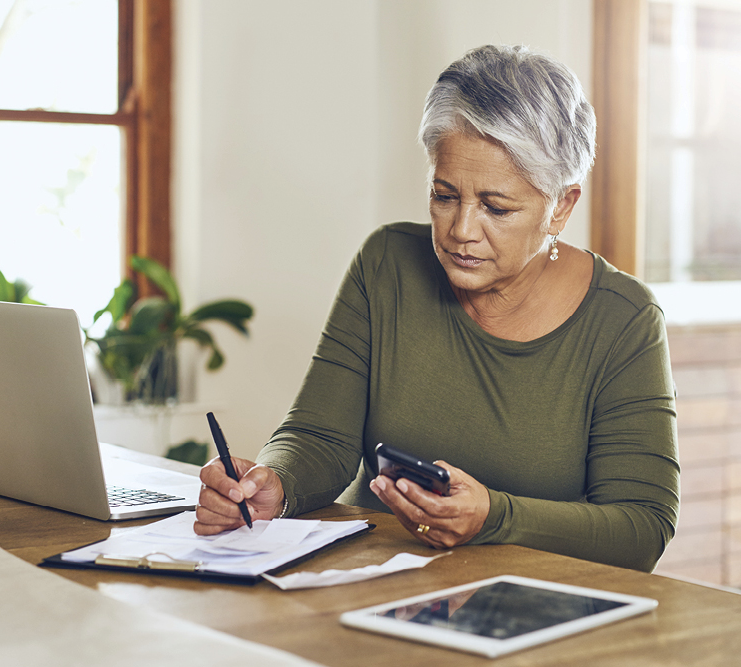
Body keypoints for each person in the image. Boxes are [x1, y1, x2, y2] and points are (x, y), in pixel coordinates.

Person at [194, 44, 679, 573]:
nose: (461, 231)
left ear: (561, 205)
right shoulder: (387, 264)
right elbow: (319, 436)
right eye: (445, 196)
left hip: (529, 616)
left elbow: (641, 527)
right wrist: (276, 485)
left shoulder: (624, 319)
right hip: (365, 584)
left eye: (496, 207)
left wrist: (495, 516)